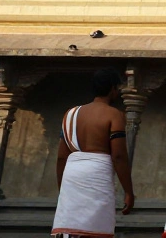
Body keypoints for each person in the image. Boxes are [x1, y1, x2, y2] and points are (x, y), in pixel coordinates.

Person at [52, 68, 135, 238]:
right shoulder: (114, 115)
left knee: (69, 229)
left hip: (71, 176)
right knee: (96, 230)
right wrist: (128, 192)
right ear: (113, 89)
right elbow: (119, 156)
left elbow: (61, 157)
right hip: (97, 175)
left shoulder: (70, 114)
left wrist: (62, 190)